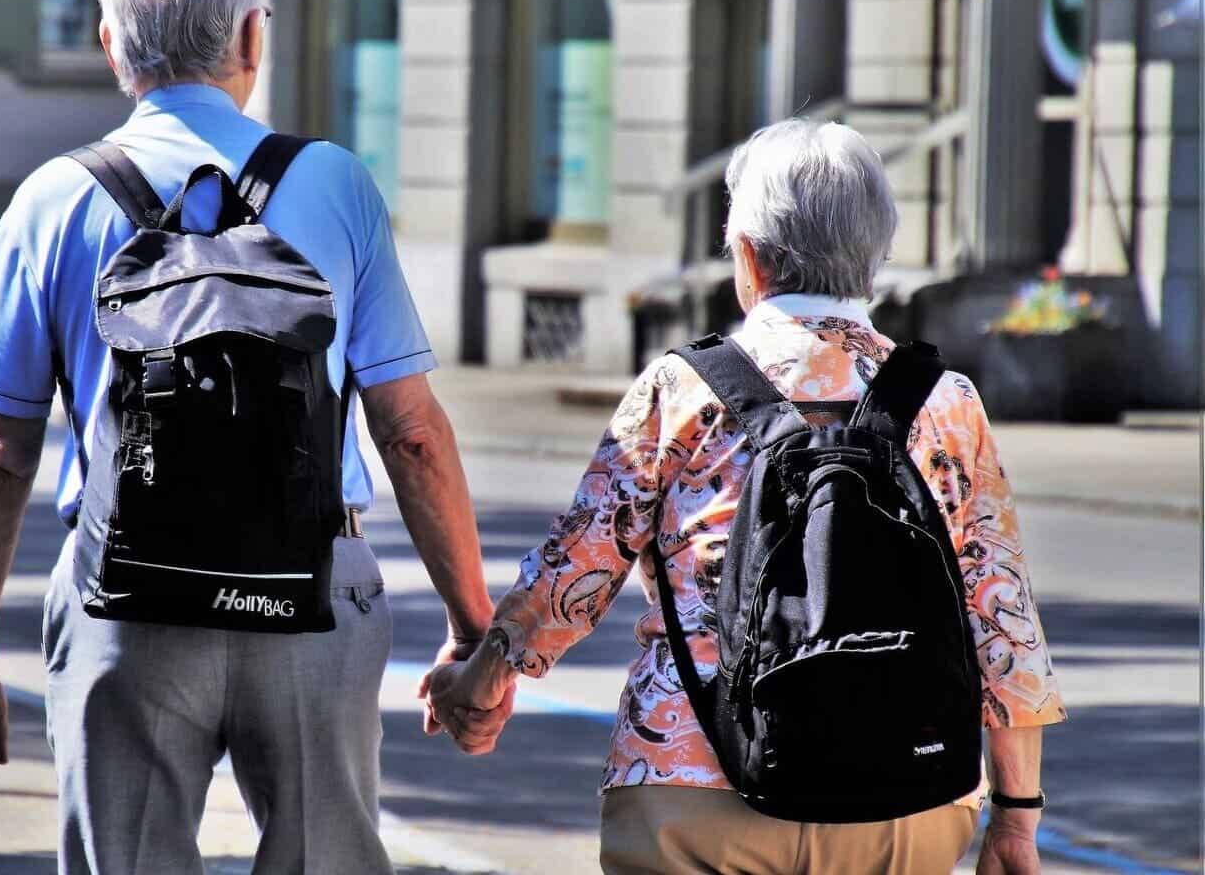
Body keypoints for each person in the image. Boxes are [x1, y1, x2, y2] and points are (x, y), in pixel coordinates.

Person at [0, 0, 507, 874]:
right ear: (252, 37)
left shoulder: (51, 199)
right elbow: (409, 432)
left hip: (125, 604)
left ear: (113, 47)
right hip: (314, 595)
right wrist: (472, 630)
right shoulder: (335, 183)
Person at [426, 119, 1066, 875]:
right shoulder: (947, 403)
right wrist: (1016, 817)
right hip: (905, 795)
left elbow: (580, 567)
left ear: (751, 256)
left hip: (692, 784)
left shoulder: (683, 386)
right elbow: (1003, 619)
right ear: (874, 255)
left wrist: (484, 675)